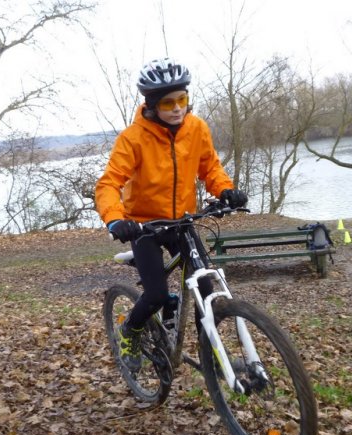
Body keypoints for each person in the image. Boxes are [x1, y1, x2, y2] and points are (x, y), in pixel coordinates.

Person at [95, 57, 248, 371]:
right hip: (145, 227)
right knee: (155, 293)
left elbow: (211, 168)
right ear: (151, 105)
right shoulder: (132, 139)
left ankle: (215, 358)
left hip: (183, 222)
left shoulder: (196, 128)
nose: (178, 108)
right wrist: (115, 219)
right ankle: (130, 330)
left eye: (183, 99)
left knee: (206, 289)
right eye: (168, 102)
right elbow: (109, 183)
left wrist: (225, 190)